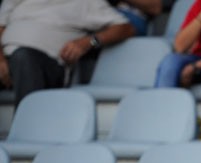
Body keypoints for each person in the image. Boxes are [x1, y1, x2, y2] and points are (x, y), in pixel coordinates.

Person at [0, 0, 135, 107]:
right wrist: (1, 60)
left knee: (23, 57)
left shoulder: (87, 3)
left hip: (44, 64)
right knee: (21, 58)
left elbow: (126, 28)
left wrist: (88, 42)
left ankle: (25, 133)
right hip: (6, 60)